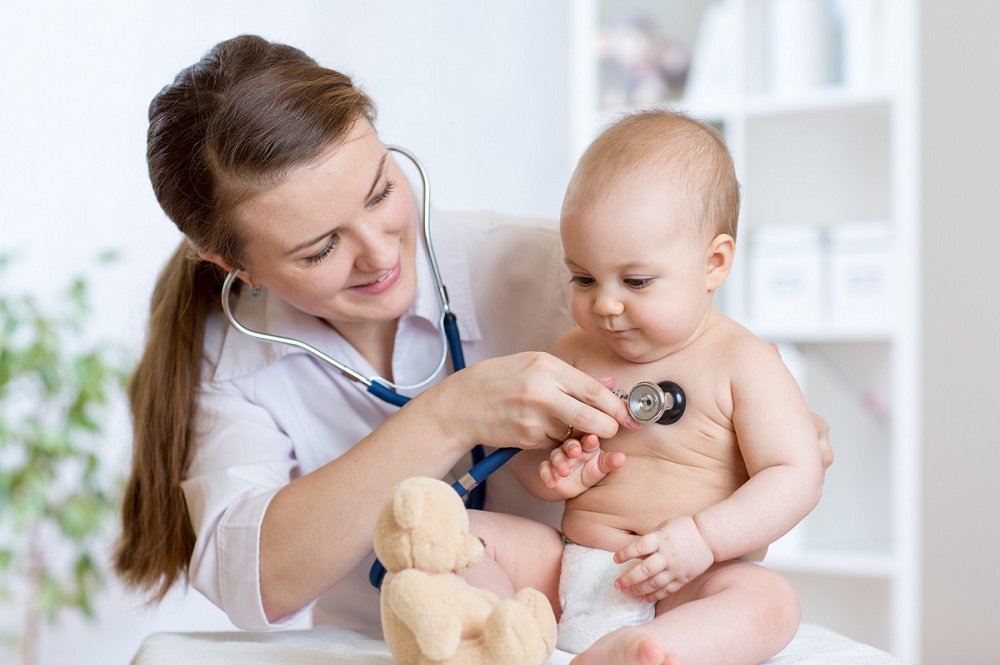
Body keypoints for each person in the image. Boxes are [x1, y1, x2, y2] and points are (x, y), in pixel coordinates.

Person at [113, 34, 832, 652]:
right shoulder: (231, 357)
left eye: (377, 192)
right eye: (321, 246)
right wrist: (449, 415)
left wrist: (742, 461)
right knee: (456, 542)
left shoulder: (556, 270)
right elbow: (256, 578)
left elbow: (699, 386)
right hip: (423, 630)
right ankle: (486, 642)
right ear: (231, 265)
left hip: (637, 575)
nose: (376, 253)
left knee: (762, 599)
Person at [508, 110, 825, 665]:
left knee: (769, 601)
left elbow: (795, 474)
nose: (605, 304)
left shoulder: (743, 363)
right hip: (574, 565)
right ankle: (491, 632)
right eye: (583, 278)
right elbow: (522, 453)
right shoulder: (572, 354)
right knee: (472, 535)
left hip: (688, 581)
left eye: (635, 281)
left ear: (714, 263)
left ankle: (651, 650)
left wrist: (705, 539)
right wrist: (549, 474)